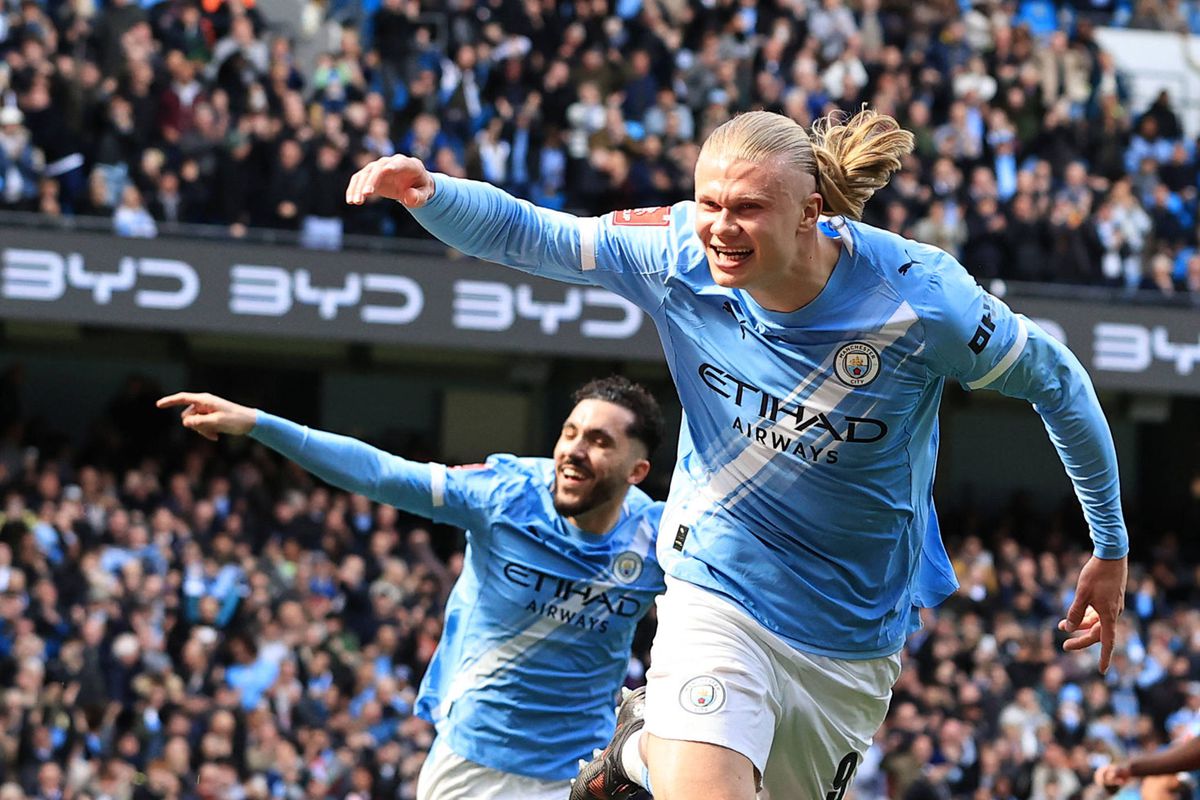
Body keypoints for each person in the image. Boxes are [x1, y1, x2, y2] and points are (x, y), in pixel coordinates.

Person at [344, 108, 1128, 800]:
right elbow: (541, 234)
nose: (720, 227)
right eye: (711, 202)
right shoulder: (676, 252)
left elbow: (1059, 382)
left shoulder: (921, 302)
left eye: (749, 208)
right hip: (716, 580)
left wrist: (1110, 544)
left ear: (811, 212)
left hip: (850, 630)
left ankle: (643, 755)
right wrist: (432, 194)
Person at [156, 376, 667, 800]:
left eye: (600, 441)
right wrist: (260, 424)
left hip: (581, 770)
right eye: (570, 432)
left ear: (637, 470)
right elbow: (382, 475)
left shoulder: (659, 541)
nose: (574, 451)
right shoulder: (504, 495)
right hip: (473, 765)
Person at [1094, 736, 1200, 796]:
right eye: (1107, 779)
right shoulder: (1149, 789)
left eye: (1107, 773)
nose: (1112, 776)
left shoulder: (1149, 775)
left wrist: (1132, 769)